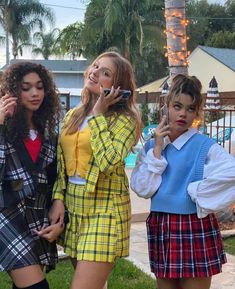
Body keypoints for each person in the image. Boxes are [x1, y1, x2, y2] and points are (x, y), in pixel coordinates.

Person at [46, 51, 142, 289]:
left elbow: (110, 162)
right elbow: (60, 163)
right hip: (75, 208)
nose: (95, 73)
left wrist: (99, 116)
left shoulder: (125, 120)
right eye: (96, 67)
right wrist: (58, 198)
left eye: (105, 73)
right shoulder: (73, 115)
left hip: (105, 209)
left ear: (118, 86)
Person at [130, 74, 235, 289]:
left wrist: (198, 190)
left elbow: (232, 172)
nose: (183, 114)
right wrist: (158, 150)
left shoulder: (204, 146)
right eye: (177, 106)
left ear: (197, 112)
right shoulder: (152, 148)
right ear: (166, 106)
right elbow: (142, 188)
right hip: (161, 225)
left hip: (194, 225)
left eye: (190, 108)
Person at [0, 61, 63, 289]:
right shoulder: (3, 128)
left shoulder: (49, 134)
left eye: (39, 86)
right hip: (6, 217)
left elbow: (56, 180)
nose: (34, 93)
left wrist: (58, 212)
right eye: (26, 88)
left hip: (37, 219)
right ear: (12, 92)